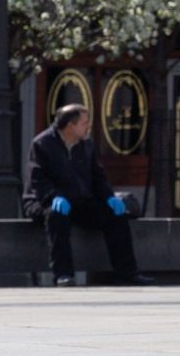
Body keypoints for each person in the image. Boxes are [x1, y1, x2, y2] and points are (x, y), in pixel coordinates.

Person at [24, 104, 149, 286]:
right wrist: (53, 197)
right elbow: (38, 180)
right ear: (70, 126)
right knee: (56, 216)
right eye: (84, 123)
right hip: (45, 201)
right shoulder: (42, 144)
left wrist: (109, 197)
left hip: (78, 200)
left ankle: (128, 274)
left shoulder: (86, 144)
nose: (88, 126)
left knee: (116, 216)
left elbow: (98, 176)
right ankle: (63, 275)